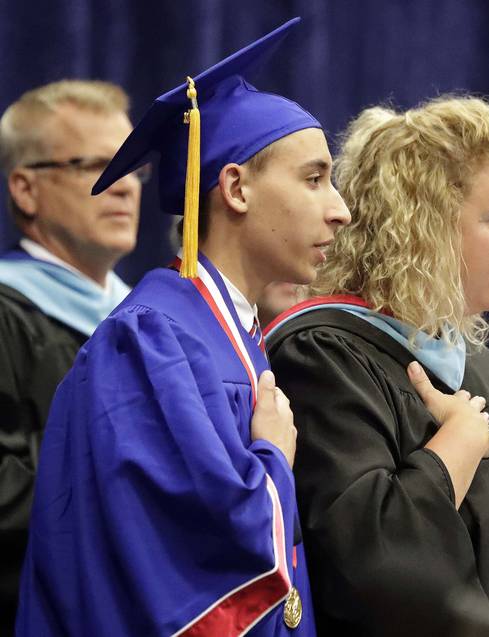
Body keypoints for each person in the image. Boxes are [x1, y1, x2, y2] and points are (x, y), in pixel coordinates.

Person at [16, 18, 349, 636]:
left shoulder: (230, 337)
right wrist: (274, 456)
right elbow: (185, 554)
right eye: (314, 178)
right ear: (236, 188)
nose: (340, 208)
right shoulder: (150, 341)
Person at [264, 97, 489, 635]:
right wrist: (452, 451)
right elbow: (367, 569)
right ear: (425, 229)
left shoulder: (480, 368)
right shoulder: (322, 359)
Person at [0, 79, 143, 630]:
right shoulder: (10, 315)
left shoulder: (145, 320)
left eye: (132, 167)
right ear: (25, 189)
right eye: (96, 166)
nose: (126, 187)